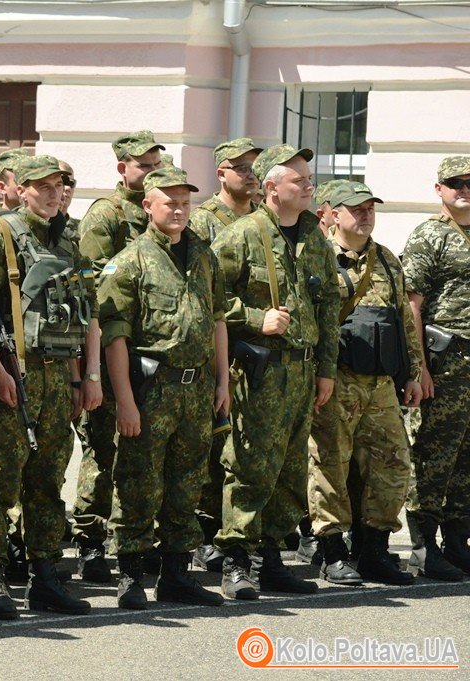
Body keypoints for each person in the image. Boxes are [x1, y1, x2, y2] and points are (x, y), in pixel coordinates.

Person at [0, 154, 101, 619]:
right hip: (15, 376)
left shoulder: (68, 240)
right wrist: (0, 372)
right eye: (39, 187)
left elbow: (86, 315)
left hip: (59, 377)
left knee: (47, 482)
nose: (50, 193)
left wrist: (85, 377)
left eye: (56, 185)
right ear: (20, 190)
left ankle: (45, 576)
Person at [210, 144, 340, 600]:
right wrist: (253, 317)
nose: (309, 185)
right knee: (249, 465)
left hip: (303, 372)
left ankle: (271, 559)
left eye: (309, 178)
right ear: (270, 188)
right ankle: (236, 560)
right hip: (259, 372)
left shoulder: (313, 236)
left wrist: (326, 369)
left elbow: (328, 307)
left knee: (288, 468)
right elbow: (209, 299)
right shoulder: (242, 236)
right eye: (299, 179)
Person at [98, 166, 229, 609]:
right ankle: (131, 575)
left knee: (187, 483)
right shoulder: (129, 261)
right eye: (169, 201)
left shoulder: (202, 255)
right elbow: (114, 335)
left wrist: (223, 380)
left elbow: (216, 320)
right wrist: (125, 402)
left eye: (185, 201)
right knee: (138, 481)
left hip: (196, 388)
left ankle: (176, 574)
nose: (178, 209)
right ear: (147, 206)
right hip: (152, 388)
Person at [307, 180, 422, 587]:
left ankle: (374, 548)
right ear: (332, 213)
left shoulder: (387, 259)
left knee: (393, 461)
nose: (366, 214)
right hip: (336, 380)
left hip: (380, 383)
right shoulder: (318, 257)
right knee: (331, 465)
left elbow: (403, 321)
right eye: (356, 208)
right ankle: (332, 550)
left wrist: (413, 370)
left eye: (370, 207)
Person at [72, 130, 165, 582]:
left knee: (140, 454)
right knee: (102, 450)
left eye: (155, 163)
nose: (151, 171)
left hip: (153, 354)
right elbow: (92, 287)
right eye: (142, 165)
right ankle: (90, 540)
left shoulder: (162, 214)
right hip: (113, 348)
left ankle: (131, 537)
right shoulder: (106, 216)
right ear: (122, 168)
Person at [187, 137, 262, 573]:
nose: (249, 174)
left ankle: (237, 531)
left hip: (258, 357)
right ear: (221, 173)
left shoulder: (263, 220)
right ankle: (201, 534)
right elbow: (203, 293)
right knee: (212, 448)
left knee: (245, 450)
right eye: (241, 167)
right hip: (220, 349)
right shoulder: (204, 222)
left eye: (254, 167)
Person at [402, 155, 470, 580]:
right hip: (445, 360)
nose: (464, 189)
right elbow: (412, 304)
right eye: (455, 183)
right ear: (439, 189)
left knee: (466, 455)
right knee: (434, 452)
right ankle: (424, 547)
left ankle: (457, 542)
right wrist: (418, 367)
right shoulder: (431, 236)